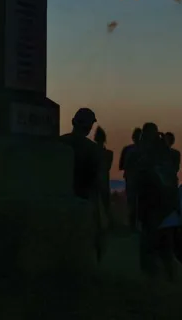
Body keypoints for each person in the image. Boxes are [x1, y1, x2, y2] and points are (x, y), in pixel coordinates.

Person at [132, 123, 179, 280]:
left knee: (151, 242)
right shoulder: (168, 154)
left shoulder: (146, 157)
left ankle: (155, 276)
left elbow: (139, 183)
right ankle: (165, 275)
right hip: (162, 205)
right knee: (164, 241)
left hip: (153, 204)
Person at [60, 108, 103, 260]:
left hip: (61, 200)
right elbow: (97, 182)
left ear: (73, 122)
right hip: (84, 200)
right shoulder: (92, 149)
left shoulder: (60, 143)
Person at [119, 127, 142, 230]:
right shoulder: (131, 149)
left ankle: (134, 225)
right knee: (135, 202)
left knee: (133, 202)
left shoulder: (128, 149)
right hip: (135, 178)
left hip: (133, 178)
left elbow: (122, 165)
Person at [94, 126, 114, 229]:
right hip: (102, 179)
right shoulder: (108, 153)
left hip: (96, 179)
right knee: (105, 203)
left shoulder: (92, 151)